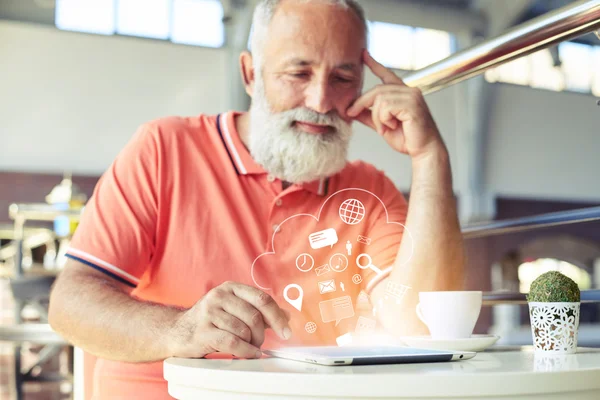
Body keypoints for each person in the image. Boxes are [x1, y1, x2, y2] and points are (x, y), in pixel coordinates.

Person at [48, 0, 465, 398]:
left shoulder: (370, 192)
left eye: (342, 78)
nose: (320, 101)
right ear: (250, 73)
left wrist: (430, 158)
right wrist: (182, 330)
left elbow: (418, 323)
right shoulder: (164, 149)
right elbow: (70, 304)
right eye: (298, 73)